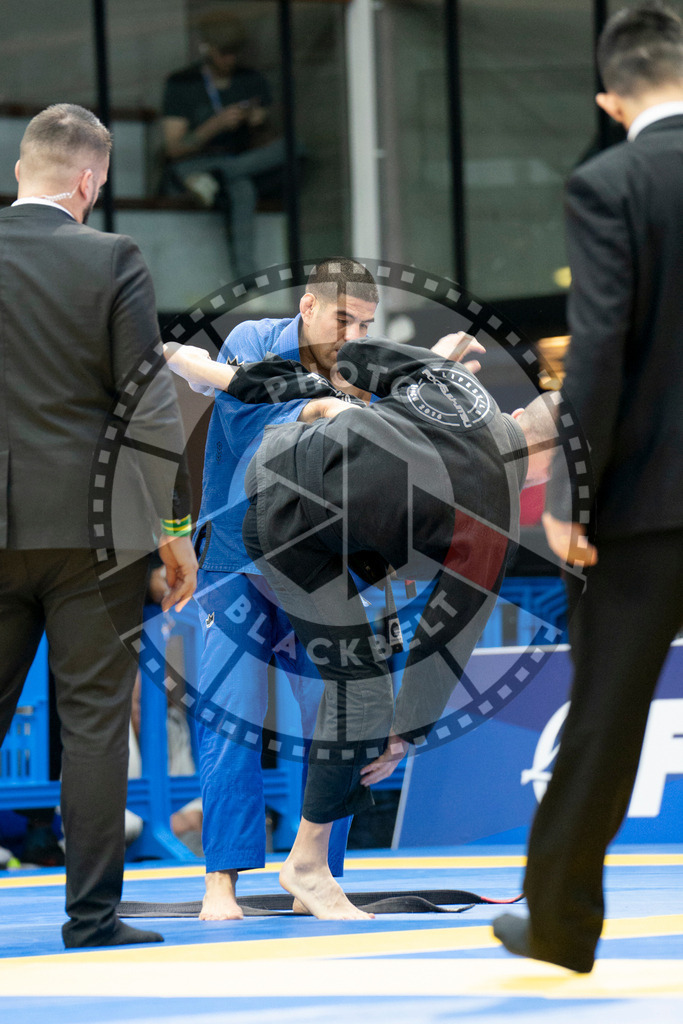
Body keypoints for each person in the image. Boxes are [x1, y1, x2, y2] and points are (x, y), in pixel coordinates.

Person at [173, 332, 556, 920]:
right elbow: (449, 634)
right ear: (547, 460)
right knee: (361, 696)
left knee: (350, 687)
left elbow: (344, 366)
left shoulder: (457, 383)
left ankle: (307, 867)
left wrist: (208, 368)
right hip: (293, 530)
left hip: (279, 481)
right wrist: (408, 732)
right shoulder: (495, 504)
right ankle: (305, 868)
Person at [493, 2, 683, 973]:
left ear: (609, 100)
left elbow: (598, 355)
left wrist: (565, 493)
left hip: (646, 508)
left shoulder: (608, 182)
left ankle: (561, 923)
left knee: (605, 714)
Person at [0, 104, 198, 948]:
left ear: (21, 170)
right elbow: (148, 403)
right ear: (87, 181)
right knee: (91, 725)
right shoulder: (111, 256)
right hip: (95, 532)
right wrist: (175, 527)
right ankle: (90, 920)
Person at [161, 9, 286, 279]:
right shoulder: (184, 83)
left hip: (242, 160)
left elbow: (273, 139)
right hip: (199, 160)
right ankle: (247, 281)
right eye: (224, 52)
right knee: (242, 189)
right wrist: (214, 126)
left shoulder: (250, 80)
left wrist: (258, 121)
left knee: (289, 149)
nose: (230, 59)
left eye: (235, 52)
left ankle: (216, 177)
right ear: (208, 49)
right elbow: (174, 148)